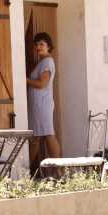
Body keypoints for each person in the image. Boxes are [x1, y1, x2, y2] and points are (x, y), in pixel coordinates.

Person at [27, 32, 62, 162]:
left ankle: (59, 169)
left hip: (42, 105)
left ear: (48, 46)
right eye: (36, 45)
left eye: (41, 44)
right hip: (39, 105)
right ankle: (26, 169)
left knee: (48, 134)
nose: (38, 47)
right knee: (36, 137)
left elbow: (42, 84)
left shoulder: (47, 61)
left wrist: (25, 80)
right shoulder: (42, 62)